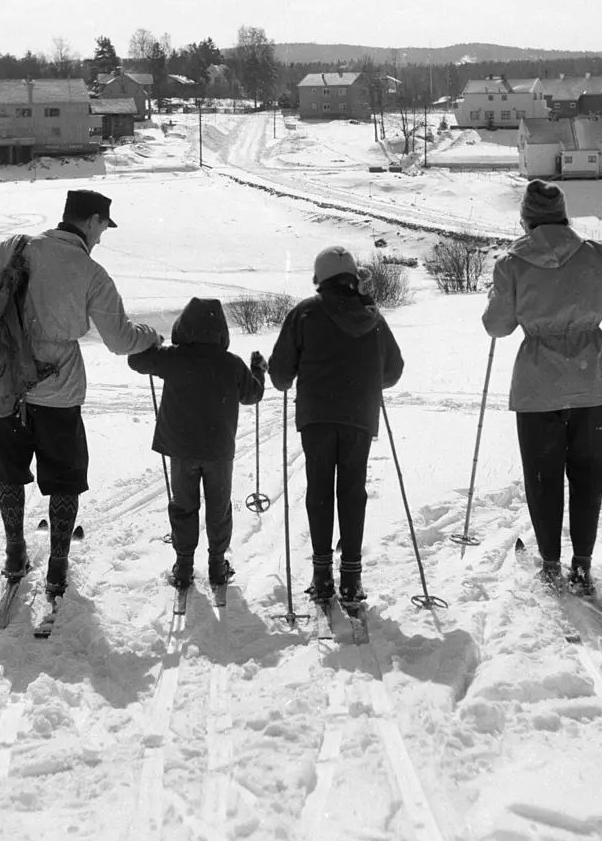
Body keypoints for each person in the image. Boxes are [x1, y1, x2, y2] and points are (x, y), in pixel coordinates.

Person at [0, 189, 161, 600]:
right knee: (64, 480)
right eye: (103, 226)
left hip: (6, 386)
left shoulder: (16, 249)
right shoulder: (91, 273)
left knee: (9, 472)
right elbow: (119, 341)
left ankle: (15, 554)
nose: (103, 236)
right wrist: (149, 336)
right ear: (90, 221)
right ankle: (57, 567)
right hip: (58, 393)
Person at [482, 179, 602, 596]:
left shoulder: (512, 264)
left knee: (543, 474)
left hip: (539, 383)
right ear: (564, 217)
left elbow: (497, 326)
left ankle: (551, 565)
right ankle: (583, 565)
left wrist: (497, 293)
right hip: (592, 377)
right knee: (588, 470)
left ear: (525, 220)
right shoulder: (598, 254)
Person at [267, 247, 404, 604]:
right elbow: (393, 370)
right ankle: (351, 578)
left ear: (321, 278)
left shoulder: (305, 313)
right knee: (353, 490)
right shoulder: (372, 317)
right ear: (352, 278)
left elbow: (281, 375)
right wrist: (366, 380)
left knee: (320, 490)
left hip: (316, 416)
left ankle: (322, 575)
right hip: (360, 415)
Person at [127, 298, 266, 588]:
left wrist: (152, 340)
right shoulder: (231, 363)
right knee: (218, 508)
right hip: (218, 450)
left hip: (181, 448)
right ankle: (217, 565)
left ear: (184, 327)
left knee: (184, 506)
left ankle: (183, 567)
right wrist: (258, 370)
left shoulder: (173, 357)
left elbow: (136, 360)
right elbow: (251, 395)